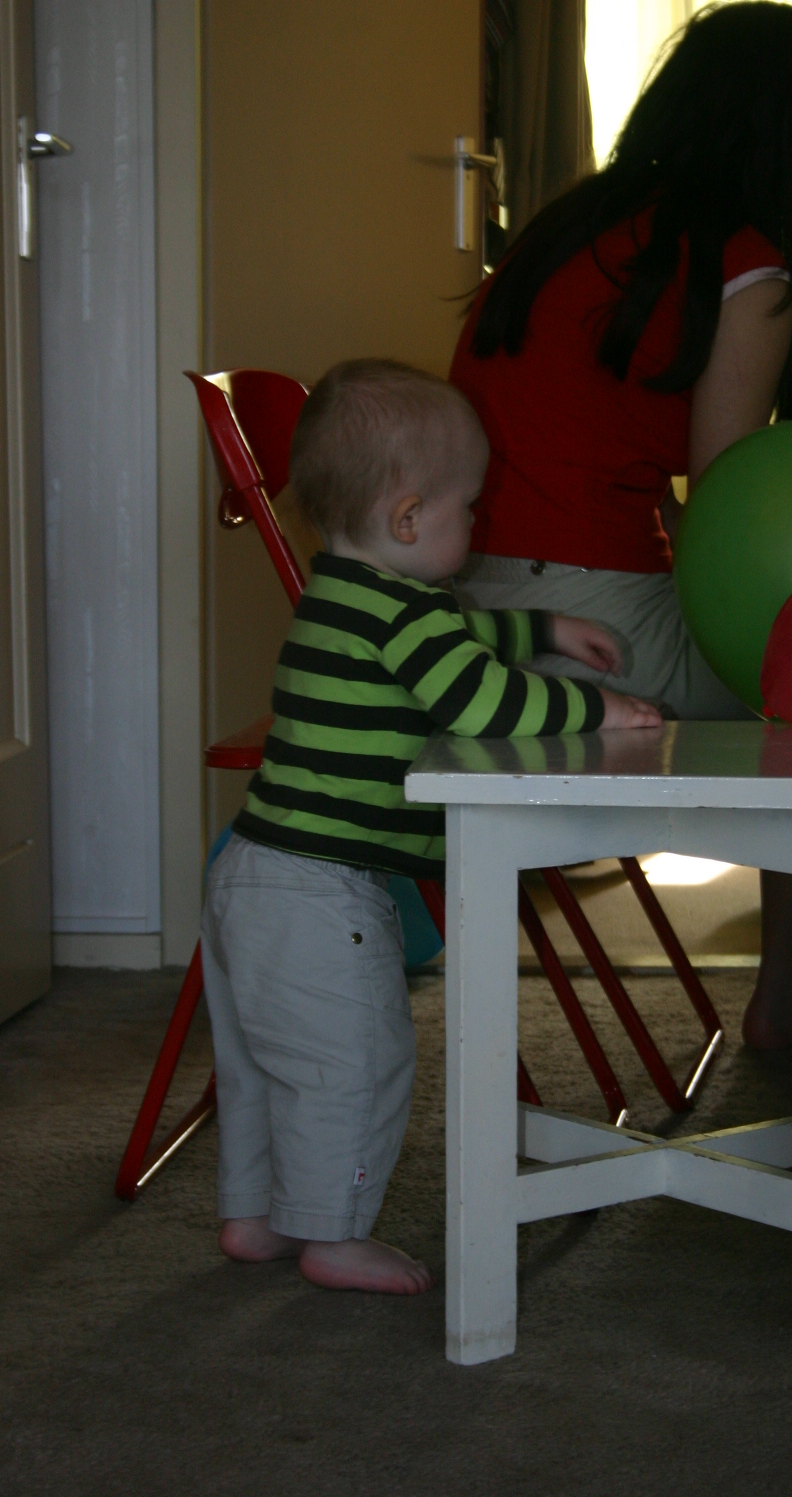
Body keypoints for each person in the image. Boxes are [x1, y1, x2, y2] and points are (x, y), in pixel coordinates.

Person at [201, 360, 661, 1297]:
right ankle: (333, 1234)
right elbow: (478, 696)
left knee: (259, 1063)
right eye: (470, 507)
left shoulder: (352, 594)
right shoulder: (402, 618)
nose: (477, 522)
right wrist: (598, 709)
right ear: (410, 519)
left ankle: (255, 1215)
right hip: (322, 889)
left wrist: (546, 630)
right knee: (356, 1063)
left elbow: (462, 637)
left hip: (252, 870)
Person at [449, 2, 792, 1050]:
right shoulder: (743, 263)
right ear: (779, 129)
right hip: (590, 630)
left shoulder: (573, 228)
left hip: (475, 621)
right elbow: (727, 510)